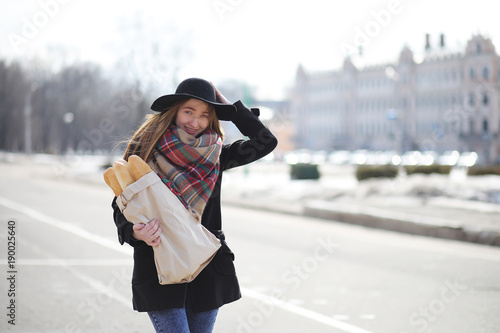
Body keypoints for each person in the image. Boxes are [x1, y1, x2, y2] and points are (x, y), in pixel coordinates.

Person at [111, 77, 278, 332]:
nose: (195, 122)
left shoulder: (217, 154)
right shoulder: (145, 150)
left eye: (204, 115)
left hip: (207, 269)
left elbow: (265, 141)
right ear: (174, 110)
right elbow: (121, 202)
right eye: (189, 111)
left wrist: (231, 110)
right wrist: (134, 232)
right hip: (160, 266)